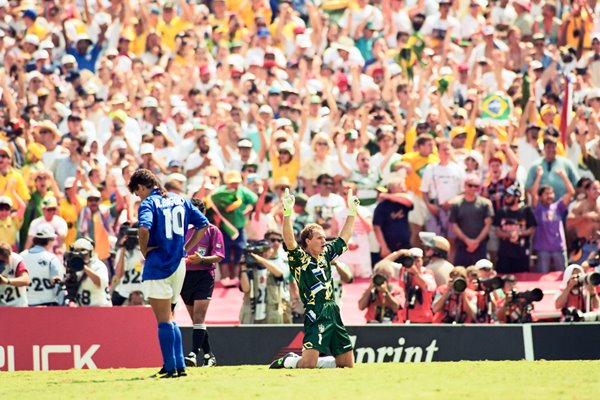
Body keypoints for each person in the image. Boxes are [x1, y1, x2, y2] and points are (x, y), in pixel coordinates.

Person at [128, 169, 209, 379]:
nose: (139, 197)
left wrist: (144, 250)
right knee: (171, 318)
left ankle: (171, 367)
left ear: (142, 187)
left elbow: (143, 228)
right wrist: (185, 247)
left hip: (159, 265)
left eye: (138, 193)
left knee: (164, 320)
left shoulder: (148, 203)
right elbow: (203, 224)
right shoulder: (179, 199)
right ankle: (179, 365)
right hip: (178, 265)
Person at [270, 188, 359, 369]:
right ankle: (289, 360)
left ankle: (319, 362)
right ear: (308, 241)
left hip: (333, 309)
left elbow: (344, 238)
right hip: (315, 311)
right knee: (308, 364)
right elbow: (288, 241)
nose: (324, 241)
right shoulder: (300, 259)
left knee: (346, 364)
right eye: (319, 238)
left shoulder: (326, 254)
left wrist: (352, 212)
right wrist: (287, 213)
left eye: (324, 238)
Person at [181, 199, 224, 368]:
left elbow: (219, 256)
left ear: (203, 213)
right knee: (196, 320)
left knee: (199, 316)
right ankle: (209, 355)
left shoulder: (212, 230)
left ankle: (192, 354)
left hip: (204, 275)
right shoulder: (183, 230)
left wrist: (202, 259)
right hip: (185, 276)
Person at [531, 167, 575, 272]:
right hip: (543, 249)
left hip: (559, 247)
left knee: (563, 276)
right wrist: (539, 176)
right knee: (542, 278)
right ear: (541, 196)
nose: (550, 196)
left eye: (551, 193)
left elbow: (571, 193)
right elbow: (533, 194)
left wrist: (563, 176)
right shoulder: (538, 208)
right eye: (546, 194)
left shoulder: (558, 206)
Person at [450, 174, 494, 266]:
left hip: (480, 246)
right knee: (460, 274)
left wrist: (476, 241)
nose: (473, 188)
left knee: (482, 275)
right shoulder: (456, 204)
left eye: (476, 186)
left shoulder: (485, 203)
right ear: (465, 186)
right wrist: (467, 241)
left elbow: (488, 224)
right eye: (470, 185)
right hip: (462, 246)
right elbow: (454, 225)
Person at [494, 185, 537, 273]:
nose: (506, 198)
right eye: (505, 196)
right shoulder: (501, 211)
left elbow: (532, 229)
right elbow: (497, 231)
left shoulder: (526, 211)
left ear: (517, 197)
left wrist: (519, 234)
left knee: (522, 278)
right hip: (504, 254)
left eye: (509, 196)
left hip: (521, 254)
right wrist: (510, 235)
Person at [21, 225, 63, 306]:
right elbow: (57, 286)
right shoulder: (52, 259)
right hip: (48, 304)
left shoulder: (21, 256)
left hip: (25, 304)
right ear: (49, 241)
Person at [64, 238, 111, 307]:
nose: (80, 255)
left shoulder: (98, 265)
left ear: (90, 253)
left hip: (99, 308)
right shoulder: (73, 267)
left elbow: (101, 283)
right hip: (81, 309)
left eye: (83, 251)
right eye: (77, 251)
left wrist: (83, 267)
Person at [112, 223, 145, 306]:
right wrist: (123, 248)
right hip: (123, 293)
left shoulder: (146, 250)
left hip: (143, 293)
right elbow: (118, 275)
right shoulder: (123, 251)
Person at [0, 242, 31, 307]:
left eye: (7, 258)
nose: (6, 262)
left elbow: (26, 280)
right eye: (2, 260)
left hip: (18, 305)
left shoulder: (16, 260)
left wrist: (7, 281)